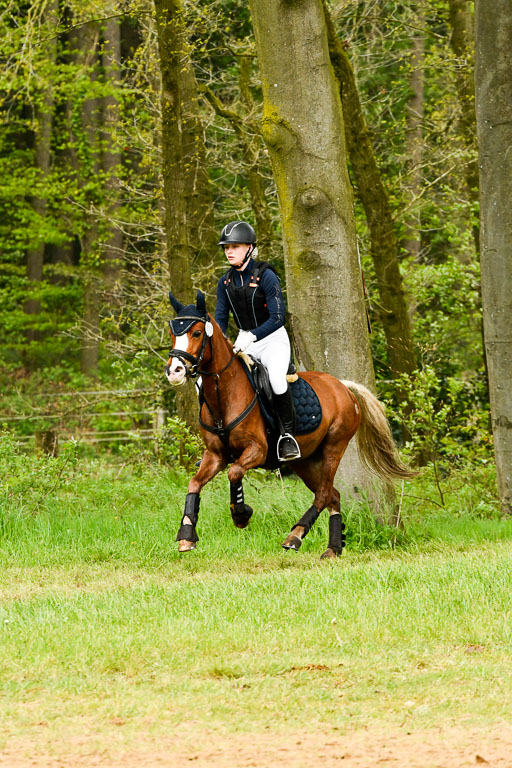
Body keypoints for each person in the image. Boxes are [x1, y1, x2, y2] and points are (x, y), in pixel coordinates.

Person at [215, 220, 301, 462]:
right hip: (245, 344)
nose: (229, 251)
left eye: (235, 246)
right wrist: (221, 341)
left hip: (272, 339)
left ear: (250, 248)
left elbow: (277, 318)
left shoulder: (267, 276)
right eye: (226, 248)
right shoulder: (225, 282)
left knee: (275, 379)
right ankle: (220, 441)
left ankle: (287, 437)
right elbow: (221, 317)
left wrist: (252, 335)